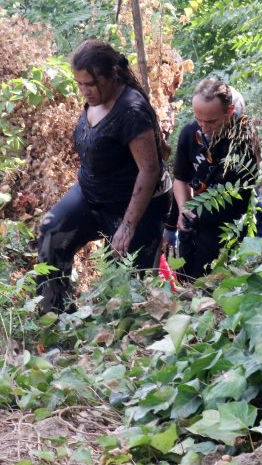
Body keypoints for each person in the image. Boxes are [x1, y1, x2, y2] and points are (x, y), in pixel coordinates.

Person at [35, 39, 172, 314]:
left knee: (129, 289)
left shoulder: (131, 111)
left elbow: (150, 169)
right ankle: (55, 320)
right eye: (80, 84)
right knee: (52, 232)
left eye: (91, 84)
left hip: (136, 206)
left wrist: (128, 226)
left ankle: (120, 345)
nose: (85, 91)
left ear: (112, 76)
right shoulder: (94, 100)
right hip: (92, 196)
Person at [165, 78, 262, 280]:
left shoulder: (250, 138)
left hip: (239, 231)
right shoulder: (189, 134)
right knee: (191, 289)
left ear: (229, 112)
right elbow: (181, 178)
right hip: (200, 228)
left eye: (211, 122)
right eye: (199, 119)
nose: (204, 127)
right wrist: (184, 209)